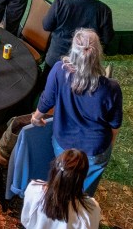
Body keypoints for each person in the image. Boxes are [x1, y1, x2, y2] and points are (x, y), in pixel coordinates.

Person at [32, 29, 123, 196]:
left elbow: (46, 101)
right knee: (84, 193)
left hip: (63, 144)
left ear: (73, 51)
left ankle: (58, 206)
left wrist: (35, 118)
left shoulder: (59, 70)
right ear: (98, 54)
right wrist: (109, 146)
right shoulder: (112, 87)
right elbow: (115, 126)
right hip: (96, 151)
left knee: (61, 181)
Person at [20, 149, 101, 229]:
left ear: (54, 168)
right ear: (83, 177)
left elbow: (25, 220)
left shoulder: (34, 189)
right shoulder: (92, 209)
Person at [43, 0, 115, 68]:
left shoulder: (60, 2)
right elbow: (107, 39)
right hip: (85, 65)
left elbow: (46, 26)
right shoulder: (104, 10)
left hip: (56, 60)